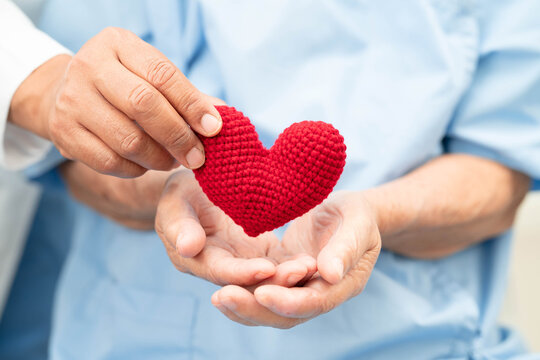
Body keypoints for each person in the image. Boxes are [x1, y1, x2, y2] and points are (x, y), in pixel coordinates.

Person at [2, 0, 540, 359]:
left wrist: (375, 214)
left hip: (413, 340)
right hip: (141, 338)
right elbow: (78, 139)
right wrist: (172, 187)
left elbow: (499, 172)